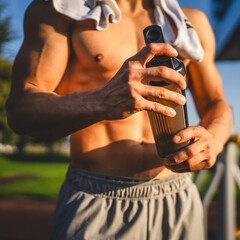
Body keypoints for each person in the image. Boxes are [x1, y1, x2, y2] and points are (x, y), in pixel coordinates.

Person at [6, 0, 232, 239]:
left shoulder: (191, 21)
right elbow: (21, 110)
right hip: (98, 198)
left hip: (179, 194)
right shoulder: (60, 10)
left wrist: (214, 138)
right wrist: (101, 100)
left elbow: (216, 102)